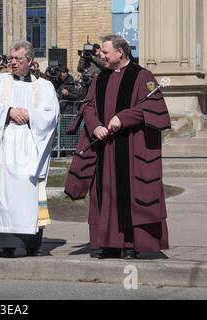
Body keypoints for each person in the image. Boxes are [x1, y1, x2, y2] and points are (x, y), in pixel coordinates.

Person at [64, 35, 171, 260]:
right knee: (105, 194)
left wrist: (124, 118)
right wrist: (95, 127)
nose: (100, 55)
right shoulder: (98, 79)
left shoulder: (143, 77)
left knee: (130, 195)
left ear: (120, 52)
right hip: (105, 148)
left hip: (131, 148)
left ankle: (131, 244)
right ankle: (107, 244)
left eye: (104, 51)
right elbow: (88, 107)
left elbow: (153, 106)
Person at [0, 40, 59, 258]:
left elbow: (51, 114)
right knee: (5, 194)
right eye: (10, 59)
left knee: (30, 194)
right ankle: (6, 244)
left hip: (31, 147)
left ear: (30, 61)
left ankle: (32, 243)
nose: (13, 63)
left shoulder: (44, 86)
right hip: (5, 146)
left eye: (18, 59)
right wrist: (8, 111)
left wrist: (30, 115)